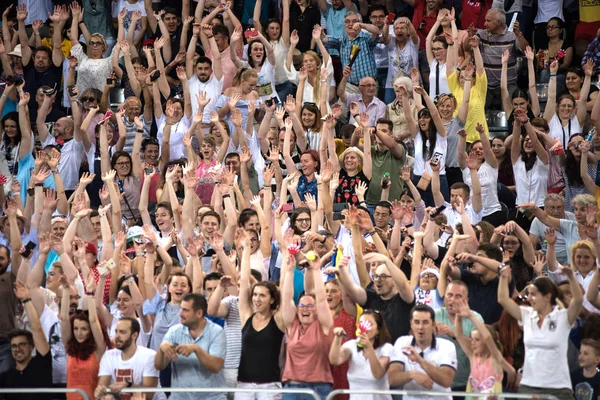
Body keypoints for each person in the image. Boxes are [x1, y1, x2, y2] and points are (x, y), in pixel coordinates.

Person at [498, 266, 583, 400]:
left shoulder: (562, 317)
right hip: (529, 386)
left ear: (547, 297)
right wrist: (503, 277)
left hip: (558, 388)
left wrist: (571, 277)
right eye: (529, 294)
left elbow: (578, 300)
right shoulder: (527, 315)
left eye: (534, 294)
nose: (529, 298)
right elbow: (503, 299)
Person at [281, 238, 334, 400]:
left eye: (309, 306)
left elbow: (322, 299)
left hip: (319, 387)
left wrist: (317, 270)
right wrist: (289, 271)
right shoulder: (292, 324)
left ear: (316, 310)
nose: (305, 309)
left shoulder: (323, 325)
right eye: (302, 306)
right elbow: (287, 298)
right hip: (292, 386)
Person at [236, 229, 285, 399]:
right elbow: (243, 281)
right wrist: (246, 250)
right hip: (244, 385)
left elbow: (285, 292)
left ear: (272, 299)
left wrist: (286, 255)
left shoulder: (278, 320)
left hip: (270, 386)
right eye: (255, 295)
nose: (256, 299)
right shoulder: (247, 317)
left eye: (262, 295)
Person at [154, 293, 226, 400]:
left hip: (212, 397)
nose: (180, 314)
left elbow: (215, 367)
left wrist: (196, 349)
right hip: (179, 397)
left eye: (185, 310)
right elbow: (159, 366)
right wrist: (161, 349)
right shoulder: (174, 331)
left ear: (199, 313)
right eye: (181, 309)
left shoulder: (217, 332)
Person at [337, 252, 414, 342]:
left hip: (399, 353)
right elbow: (351, 288)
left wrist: (386, 261)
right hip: (374, 352)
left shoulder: (404, 299)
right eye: (376, 277)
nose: (378, 281)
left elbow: (404, 285)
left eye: (383, 277)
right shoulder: (371, 297)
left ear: (394, 279)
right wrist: (342, 268)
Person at [388, 305, 457, 400]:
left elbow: (446, 381)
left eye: (425, 322)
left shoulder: (447, 346)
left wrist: (420, 360)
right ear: (411, 324)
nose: (420, 327)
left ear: (433, 324)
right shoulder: (402, 342)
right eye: (416, 322)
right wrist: (412, 374)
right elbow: (391, 378)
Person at [0, 282, 52, 400]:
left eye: (22, 344)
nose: (17, 349)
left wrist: (26, 301)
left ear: (32, 346)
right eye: (13, 346)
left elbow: (37, 329)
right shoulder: (6, 377)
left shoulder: (41, 365)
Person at [454, 299, 515, 398]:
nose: (472, 343)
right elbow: (458, 335)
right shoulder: (473, 357)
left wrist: (470, 316)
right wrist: (458, 314)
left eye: (477, 339)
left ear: (487, 343)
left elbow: (487, 337)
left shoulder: (495, 358)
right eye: (472, 339)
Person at [329, 310, 394, 400]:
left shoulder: (386, 348)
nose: (364, 327)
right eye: (361, 323)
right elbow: (335, 360)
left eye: (369, 324)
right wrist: (337, 338)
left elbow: (378, 374)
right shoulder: (351, 345)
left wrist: (369, 348)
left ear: (378, 330)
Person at [94, 317, 159, 400]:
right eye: (116, 331)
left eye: (122, 332)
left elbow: (148, 395)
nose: (116, 336)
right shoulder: (108, 355)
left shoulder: (149, 356)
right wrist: (102, 394)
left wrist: (128, 385)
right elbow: (103, 387)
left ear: (134, 335)